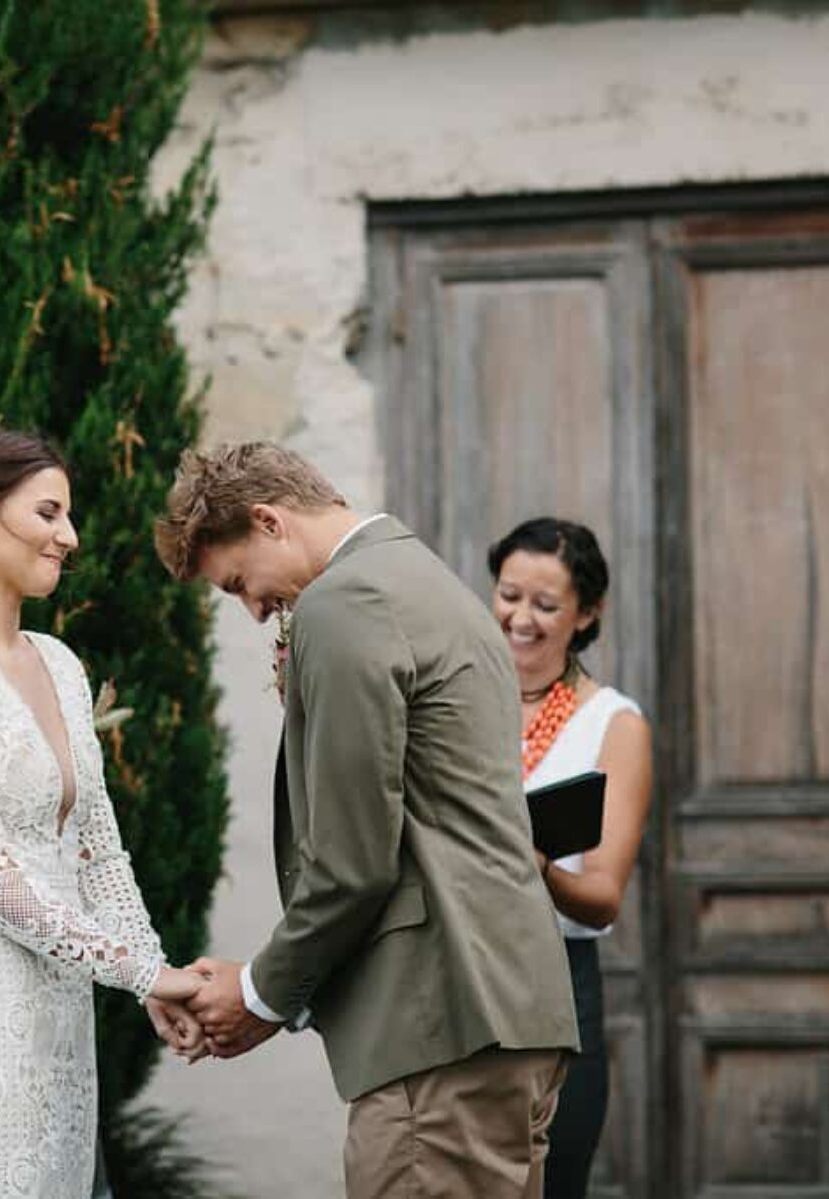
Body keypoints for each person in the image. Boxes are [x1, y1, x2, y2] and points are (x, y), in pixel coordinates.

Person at [152, 443, 579, 1199]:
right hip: (507, 1009)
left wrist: (258, 993)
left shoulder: (344, 601)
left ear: (269, 520)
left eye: (240, 583)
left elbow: (354, 862)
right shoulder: (424, 579)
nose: (255, 610)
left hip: (443, 1026)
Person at [0, 427, 204, 1198]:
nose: (71, 535)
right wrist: (141, 972)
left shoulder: (60, 664)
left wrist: (152, 975)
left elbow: (99, 850)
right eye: (50, 512)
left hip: (60, 1028)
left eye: (68, 517)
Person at [490, 518, 652, 1199]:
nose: (519, 618)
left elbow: (605, 894)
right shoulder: (454, 702)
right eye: (507, 594)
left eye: (545, 604)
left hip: (557, 987)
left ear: (587, 614)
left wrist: (540, 868)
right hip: (458, 978)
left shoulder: (613, 723)